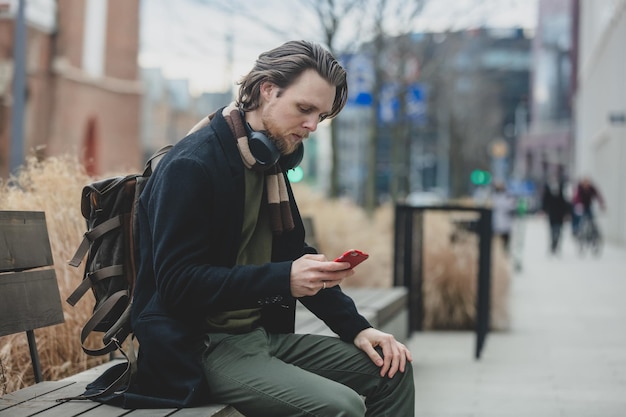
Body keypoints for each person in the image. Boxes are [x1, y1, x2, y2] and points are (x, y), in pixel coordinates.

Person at [126, 40, 414, 416]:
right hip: (200, 348)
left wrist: (357, 328)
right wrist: (283, 279)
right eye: (304, 109)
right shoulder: (192, 166)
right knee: (340, 407)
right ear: (267, 90)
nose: (312, 125)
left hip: (259, 338)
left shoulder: (268, 163)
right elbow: (179, 285)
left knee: (392, 370)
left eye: (321, 116)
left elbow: (292, 255)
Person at [541, 175, 570, 254]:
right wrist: (543, 210)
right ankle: (553, 244)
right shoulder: (548, 190)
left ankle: (556, 244)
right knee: (552, 230)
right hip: (552, 214)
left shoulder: (561, 190)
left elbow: (564, 202)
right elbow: (545, 201)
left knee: (559, 230)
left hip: (560, 214)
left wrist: (566, 212)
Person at [491, 181, 516, 255]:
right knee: (496, 248)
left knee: (504, 247)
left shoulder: (508, 197)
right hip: (496, 227)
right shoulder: (493, 197)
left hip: (505, 227)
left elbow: (512, 207)